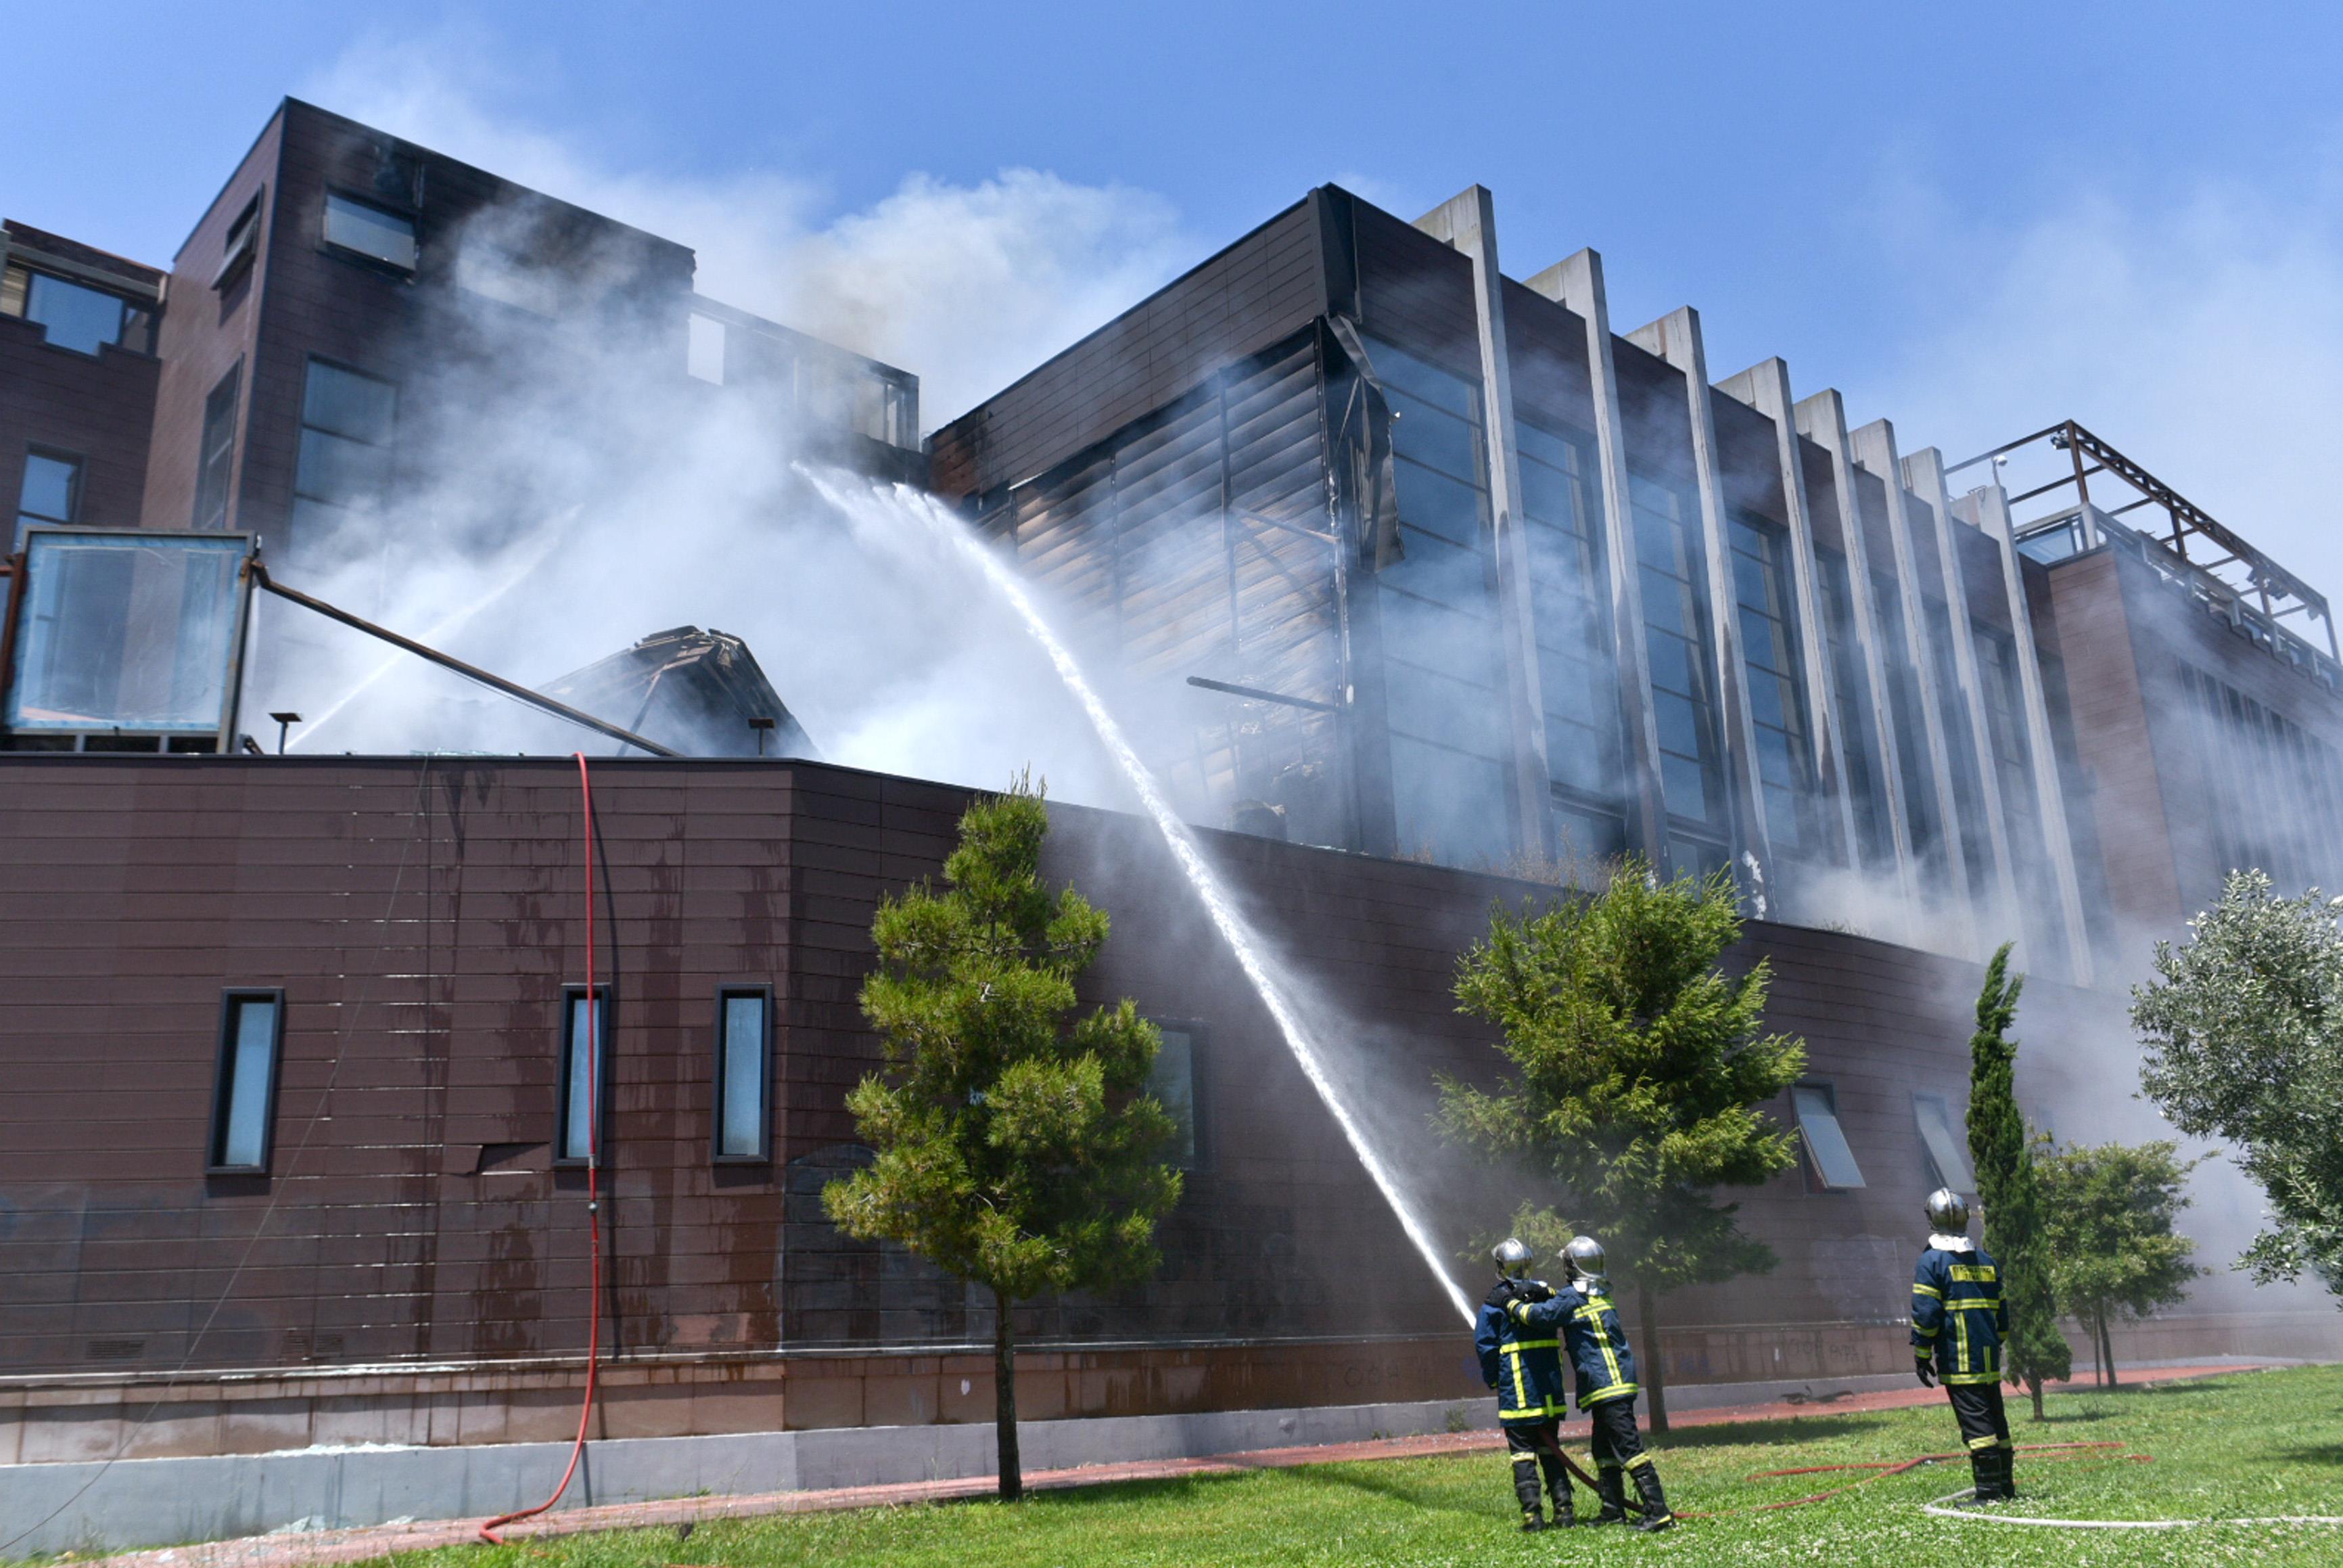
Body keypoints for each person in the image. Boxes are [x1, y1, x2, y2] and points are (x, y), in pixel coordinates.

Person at [1506, 1236, 1673, 1531]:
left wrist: (1511, 1304)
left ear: (1571, 1267)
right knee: (1604, 1450)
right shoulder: (1600, 1292)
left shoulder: (1573, 1297)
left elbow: (1541, 1316)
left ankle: (1657, 1511)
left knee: (1629, 1448)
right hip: (1610, 1384)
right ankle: (1613, 1510)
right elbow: (1560, 1304)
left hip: (1607, 1385)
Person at [1911, 1188, 2016, 1505]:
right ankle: (2006, 1486)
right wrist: (1993, 1343)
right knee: (1996, 1420)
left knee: (1977, 1423)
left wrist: (1921, 1352)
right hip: (1987, 1357)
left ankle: (1989, 1493)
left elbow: (1926, 1313)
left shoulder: (1932, 1261)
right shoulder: (1986, 1261)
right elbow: (2003, 1317)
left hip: (1959, 1357)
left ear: (1932, 1218)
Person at [1475, 1237, 1573, 1530]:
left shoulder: (1497, 1303)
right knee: (1551, 1451)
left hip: (1517, 1395)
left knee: (1523, 1455)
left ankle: (1533, 1517)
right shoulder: (1546, 1295)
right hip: (1549, 1396)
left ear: (1501, 1266)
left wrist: (1493, 1378)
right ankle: (1565, 1512)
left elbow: (1485, 1345)